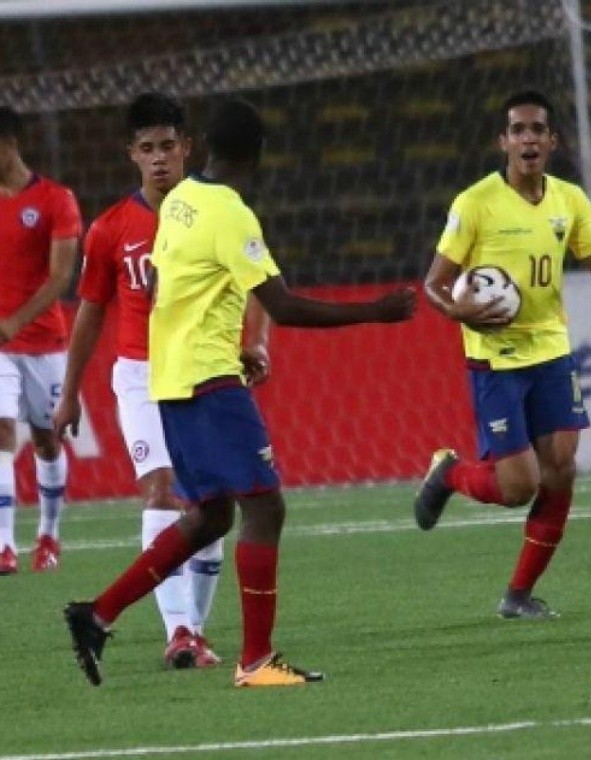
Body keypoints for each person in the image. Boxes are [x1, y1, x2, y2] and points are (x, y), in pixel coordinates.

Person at [64, 96, 416, 688]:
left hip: (171, 380)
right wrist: (375, 312)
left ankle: (96, 614)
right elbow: (283, 305)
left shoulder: (180, 205)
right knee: (265, 506)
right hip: (208, 380)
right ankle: (256, 660)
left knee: (209, 516)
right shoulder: (230, 213)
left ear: (200, 145)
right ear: (257, 155)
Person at [413, 89, 591, 619]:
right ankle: (448, 473)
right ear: (504, 142)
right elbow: (434, 285)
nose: (528, 139)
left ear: (552, 141)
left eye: (537, 130)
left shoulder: (569, 201)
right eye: (519, 130)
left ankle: (517, 596)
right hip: (496, 360)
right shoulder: (475, 204)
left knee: (560, 471)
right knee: (518, 487)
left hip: (551, 352)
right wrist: (461, 313)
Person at [53, 93, 262, 668]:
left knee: (213, 504)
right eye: (147, 149)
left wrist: (254, 340)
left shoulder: (212, 209)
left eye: (168, 145)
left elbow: (258, 278)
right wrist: (69, 392)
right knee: (163, 490)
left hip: (203, 371)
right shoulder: (111, 229)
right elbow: (91, 311)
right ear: (131, 156)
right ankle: (180, 632)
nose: (159, 159)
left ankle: (194, 627)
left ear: (188, 147)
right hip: (143, 376)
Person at [0, 106, 82, 576]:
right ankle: (5, 544)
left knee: (48, 441)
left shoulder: (55, 199)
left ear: (11, 143)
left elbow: (60, 278)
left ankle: (48, 534)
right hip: (0, 348)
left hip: (45, 343)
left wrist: (14, 321)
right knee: (2, 432)